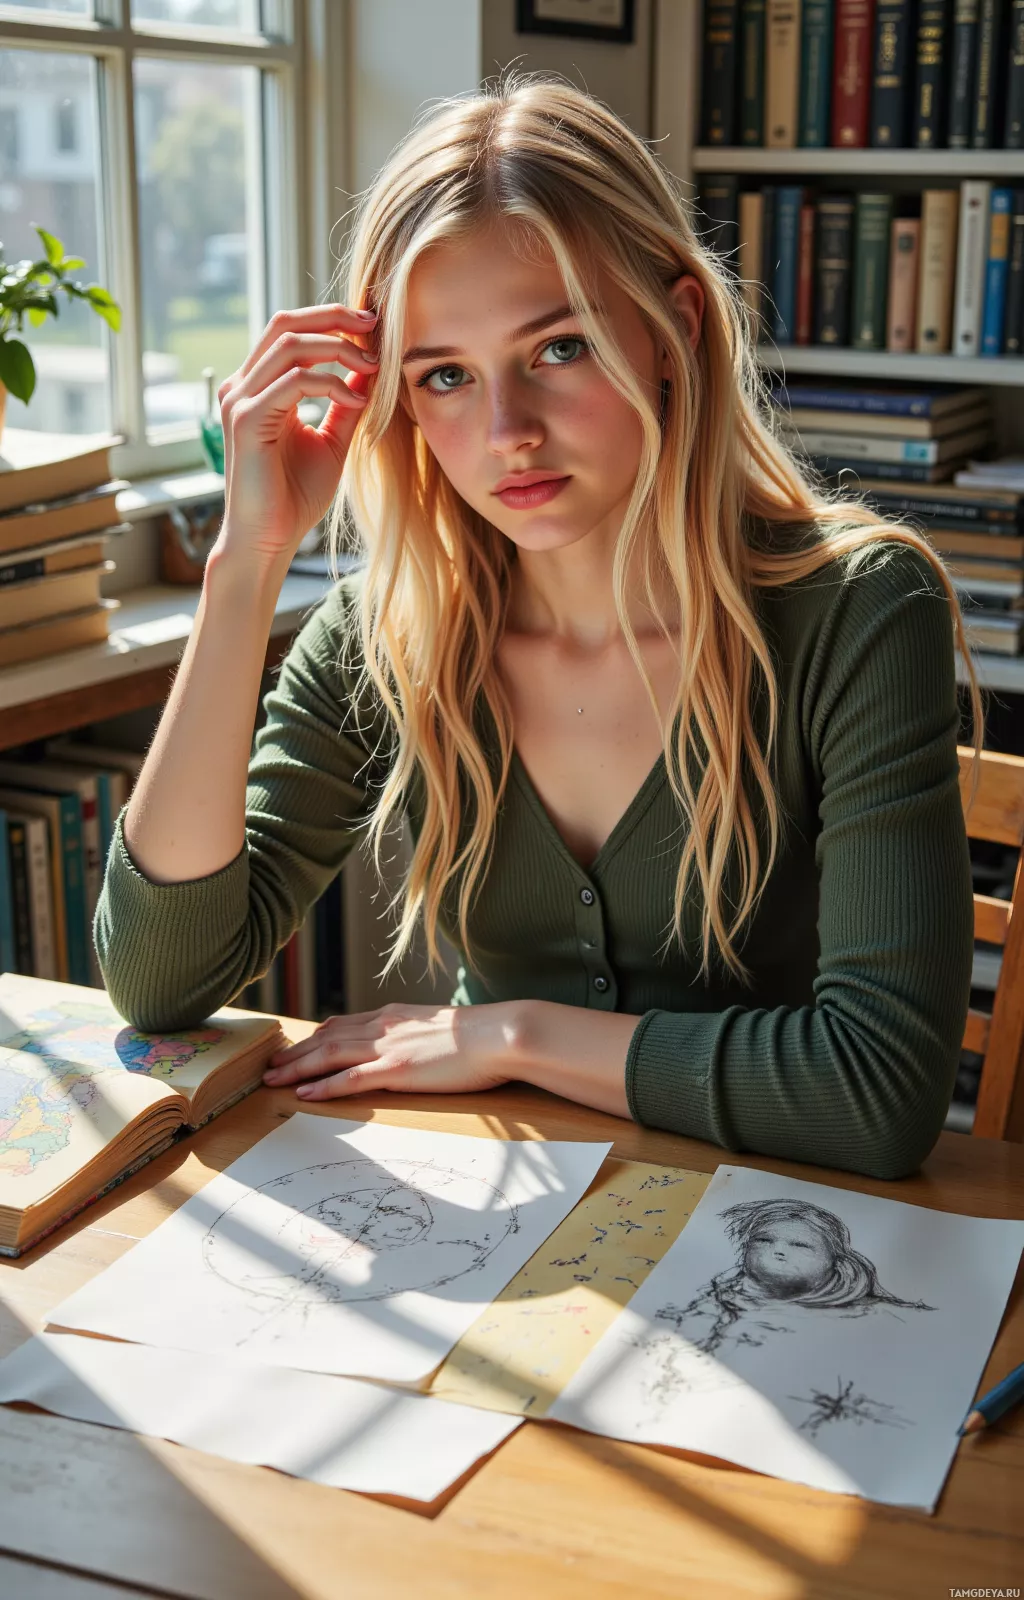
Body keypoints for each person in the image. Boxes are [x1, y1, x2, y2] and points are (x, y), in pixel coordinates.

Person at [97, 75, 982, 1182]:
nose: (506, 432)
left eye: (557, 348)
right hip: (513, 1231)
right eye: (446, 377)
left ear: (673, 329)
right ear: (397, 404)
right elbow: (162, 981)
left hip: (790, 1241)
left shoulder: (858, 609)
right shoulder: (390, 636)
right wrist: (244, 567)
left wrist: (508, 1031)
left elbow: (875, 1092)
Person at [656, 1198, 935, 1359]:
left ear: (836, 1261)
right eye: (763, 1240)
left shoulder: (880, 1315)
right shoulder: (715, 1301)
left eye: (799, 1245)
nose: (777, 1251)